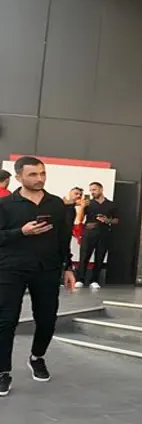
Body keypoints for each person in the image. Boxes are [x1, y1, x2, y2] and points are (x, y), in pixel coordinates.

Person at [0, 156, 76, 397]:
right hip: (10, 268)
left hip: (47, 268)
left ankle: (37, 357)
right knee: (6, 321)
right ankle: (3, 372)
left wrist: (68, 267)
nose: (39, 178)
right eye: (33, 174)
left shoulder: (56, 204)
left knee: (47, 319)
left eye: (42, 173)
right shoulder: (5, 204)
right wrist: (21, 232)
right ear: (18, 177)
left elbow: (64, 237)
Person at [73, 182, 118, 290]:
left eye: (94, 190)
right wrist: (82, 207)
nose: (92, 192)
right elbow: (80, 219)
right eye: (91, 190)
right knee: (84, 256)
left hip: (104, 232)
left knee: (100, 257)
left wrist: (107, 220)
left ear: (101, 189)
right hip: (89, 232)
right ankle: (80, 279)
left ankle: (94, 280)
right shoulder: (88, 203)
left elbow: (117, 220)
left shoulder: (111, 204)